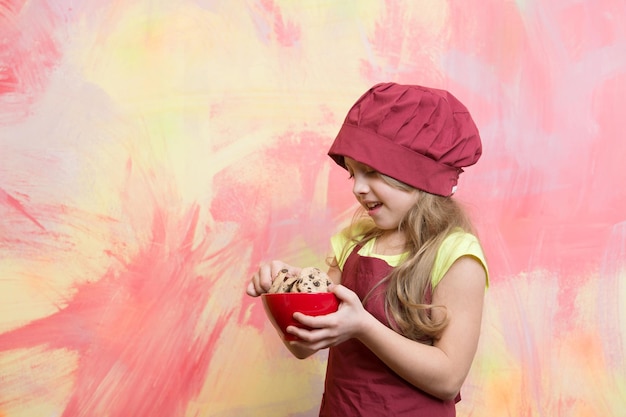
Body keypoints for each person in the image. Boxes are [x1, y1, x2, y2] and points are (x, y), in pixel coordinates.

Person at [247, 82, 489, 416]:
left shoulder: (456, 256)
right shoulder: (353, 243)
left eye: (372, 172)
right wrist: (281, 294)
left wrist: (364, 327)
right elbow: (304, 345)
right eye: (353, 174)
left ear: (419, 176)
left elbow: (448, 378)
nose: (358, 188)